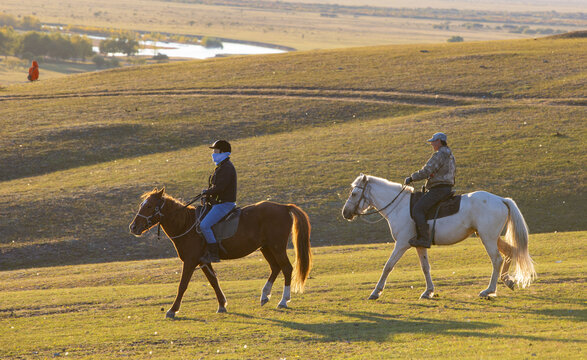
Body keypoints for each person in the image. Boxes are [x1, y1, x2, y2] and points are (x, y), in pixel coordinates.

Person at [404, 132, 456, 248]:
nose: (432, 144)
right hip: (446, 187)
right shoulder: (450, 154)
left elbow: (426, 170)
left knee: (418, 209)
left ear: (439, 141)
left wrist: (412, 178)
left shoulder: (439, 154)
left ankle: (424, 238)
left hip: (439, 189)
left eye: (433, 141)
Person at [199, 140, 237, 263]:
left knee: (204, 225)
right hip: (218, 203)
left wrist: (207, 192)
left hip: (224, 204)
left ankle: (214, 255)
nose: (213, 154)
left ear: (222, 152)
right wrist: (207, 196)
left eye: (215, 151)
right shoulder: (221, 167)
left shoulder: (227, 168)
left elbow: (220, 188)